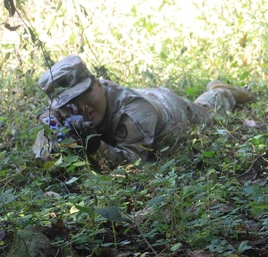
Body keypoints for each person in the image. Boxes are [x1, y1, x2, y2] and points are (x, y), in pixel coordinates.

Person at [34, 54, 253, 170]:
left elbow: (135, 166)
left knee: (207, 112)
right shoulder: (61, 111)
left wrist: (95, 146)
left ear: (98, 84)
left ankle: (221, 91)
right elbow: (43, 156)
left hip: (170, 108)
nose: (81, 108)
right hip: (139, 98)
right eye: (70, 102)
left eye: (85, 96)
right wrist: (52, 137)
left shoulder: (136, 113)